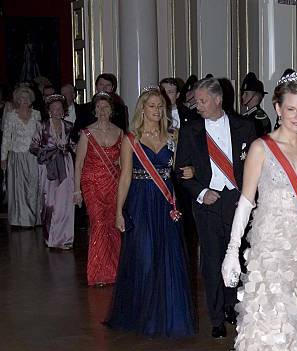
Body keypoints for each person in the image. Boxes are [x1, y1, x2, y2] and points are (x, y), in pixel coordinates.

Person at [149, 70, 297, 351]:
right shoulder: (262, 148)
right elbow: (246, 202)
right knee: (275, 320)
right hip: (270, 246)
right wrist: (232, 252)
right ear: (278, 108)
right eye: (292, 109)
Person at [104, 87, 196, 338]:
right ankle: (141, 314)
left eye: (160, 106)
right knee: (143, 258)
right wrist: (118, 212)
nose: (157, 110)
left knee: (167, 258)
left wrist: (191, 172)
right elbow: (124, 178)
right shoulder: (130, 139)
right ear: (142, 109)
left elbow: (181, 169)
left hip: (167, 203)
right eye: (152, 106)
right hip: (140, 202)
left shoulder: (173, 137)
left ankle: (167, 316)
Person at [173, 77, 257, 338]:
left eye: (202, 100)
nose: (197, 105)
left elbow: (256, 166)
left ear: (218, 100)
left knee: (237, 254)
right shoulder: (191, 130)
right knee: (211, 259)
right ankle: (217, 317)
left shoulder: (245, 126)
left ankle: (233, 306)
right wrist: (200, 192)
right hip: (208, 203)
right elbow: (180, 171)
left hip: (237, 201)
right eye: (197, 101)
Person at [73, 92, 122, 286]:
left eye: (106, 107)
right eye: (99, 108)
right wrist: (77, 190)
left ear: (112, 110)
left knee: (112, 225)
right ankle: (99, 273)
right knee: (99, 224)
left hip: (113, 183)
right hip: (92, 183)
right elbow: (78, 163)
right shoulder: (87, 133)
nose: (102, 111)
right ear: (94, 110)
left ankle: (115, 270)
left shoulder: (119, 132)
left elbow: (121, 162)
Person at [29, 94, 76, 249]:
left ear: (63, 110)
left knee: (65, 202)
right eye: (53, 108)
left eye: (59, 108)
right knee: (49, 202)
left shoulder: (69, 126)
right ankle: (50, 237)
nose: (56, 111)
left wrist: (69, 147)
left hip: (66, 165)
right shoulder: (42, 125)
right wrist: (48, 151)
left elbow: (74, 146)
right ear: (49, 110)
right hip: (48, 166)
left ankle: (65, 239)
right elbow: (33, 147)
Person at [1, 85, 41, 227]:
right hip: (16, 156)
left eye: (27, 97)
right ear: (17, 99)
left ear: (31, 100)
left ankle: (34, 218)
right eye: (21, 98)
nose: (24, 100)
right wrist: (3, 157)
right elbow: (6, 137)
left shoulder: (36, 114)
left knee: (33, 186)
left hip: (33, 156)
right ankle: (21, 220)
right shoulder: (11, 115)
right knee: (19, 189)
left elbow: (40, 136)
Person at [73, 73, 129, 140]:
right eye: (101, 84)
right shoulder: (83, 108)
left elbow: (123, 133)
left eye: (108, 85)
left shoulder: (120, 109)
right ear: (96, 87)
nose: (104, 88)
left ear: (112, 88)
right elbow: (75, 133)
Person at [239, 72, 271, 137]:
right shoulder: (249, 115)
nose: (243, 96)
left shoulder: (259, 117)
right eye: (243, 93)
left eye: (246, 94)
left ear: (255, 96)